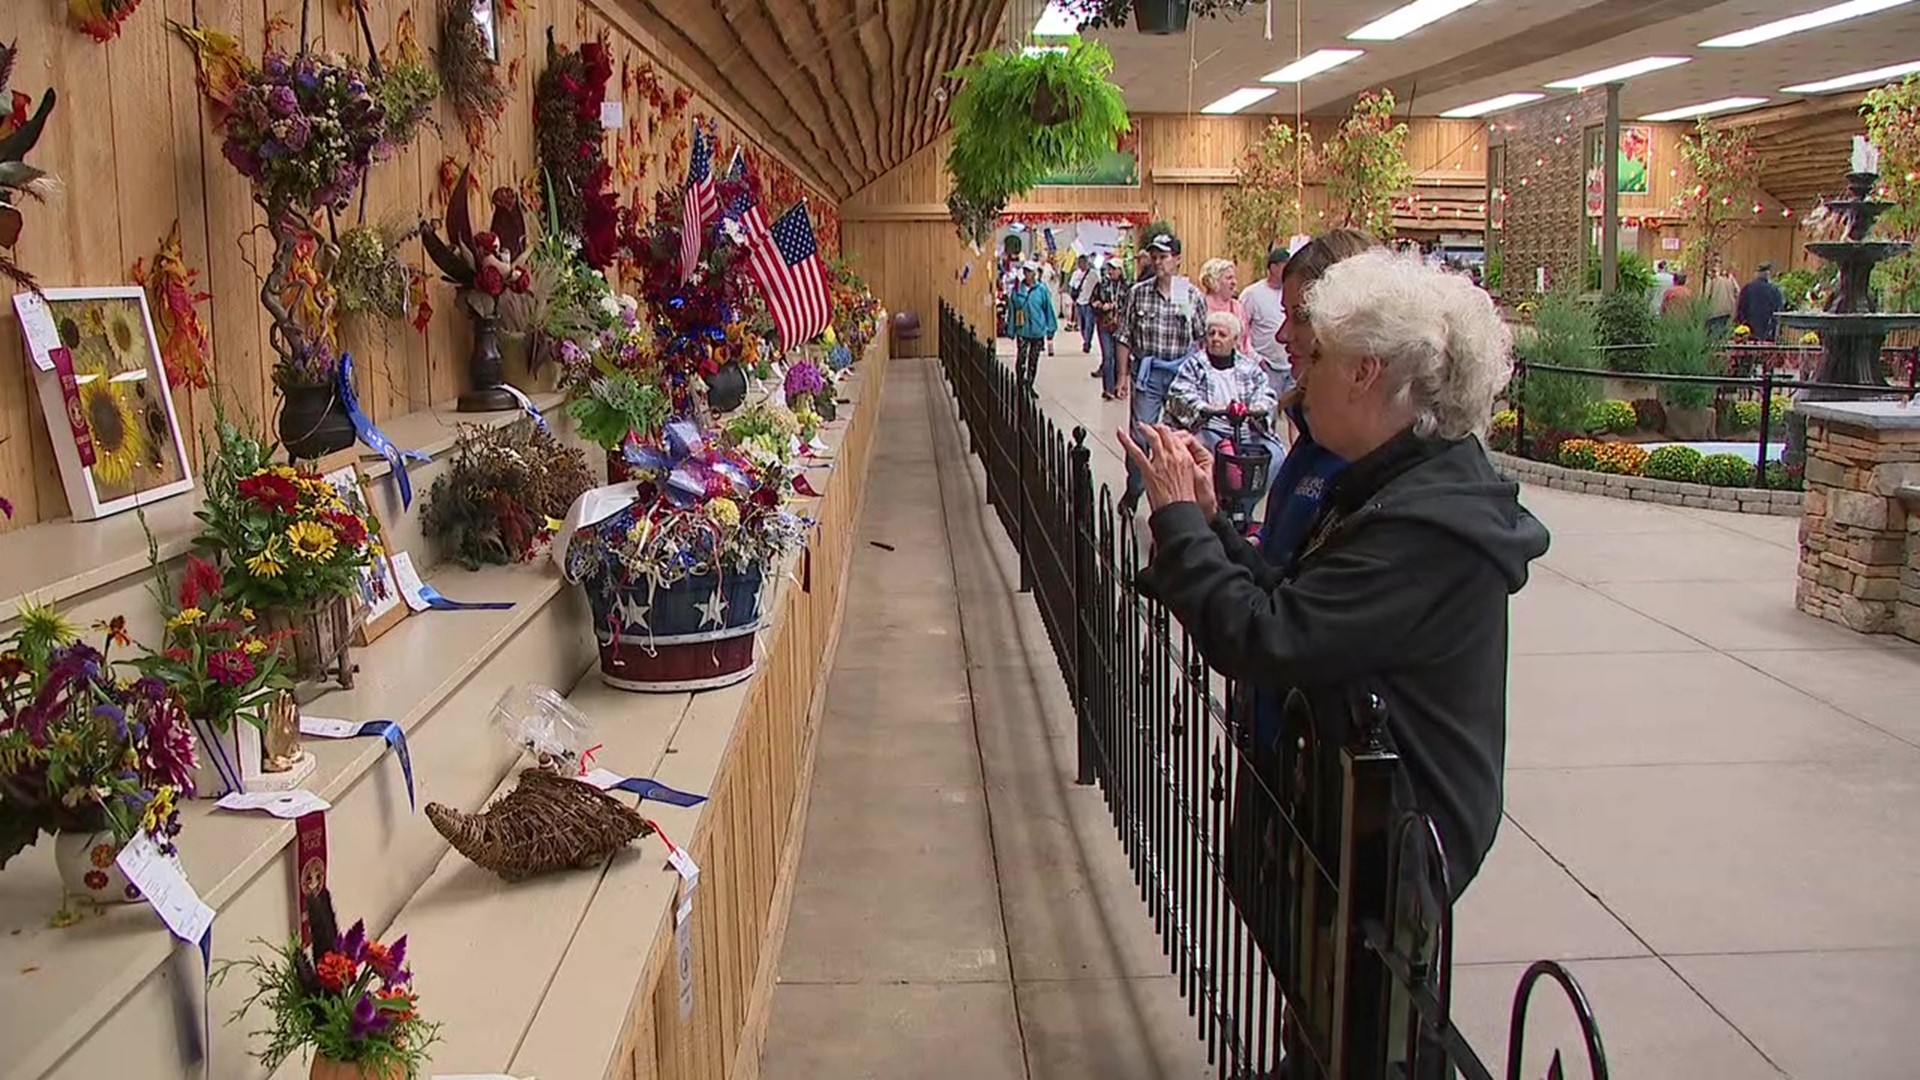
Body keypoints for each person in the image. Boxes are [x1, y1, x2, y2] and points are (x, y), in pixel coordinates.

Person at [1119, 246, 1550, 905]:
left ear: (1364, 373)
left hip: (1388, 863)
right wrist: (1210, 525)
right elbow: (1297, 603)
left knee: (1352, 1007)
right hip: (1353, 841)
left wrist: (1179, 522)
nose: (1297, 372)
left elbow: (1266, 638)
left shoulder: (1423, 527)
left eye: (1316, 355)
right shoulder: (1395, 487)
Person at [1116, 231, 1208, 514]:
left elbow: (1201, 339)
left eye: (1164, 256)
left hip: (1180, 372)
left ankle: (1177, 499)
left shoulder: (1191, 295)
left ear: (1177, 260)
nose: (1158, 262)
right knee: (1142, 433)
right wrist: (1121, 377)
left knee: (1179, 436)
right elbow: (1124, 336)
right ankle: (1135, 488)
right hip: (1148, 372)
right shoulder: (1138, 294)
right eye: (1154, 256)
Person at [1162, 311, 1283, 506]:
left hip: (1245, 431)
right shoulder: (1194, 365)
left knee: (1275, 455)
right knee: (1199, 455)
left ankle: (1245, 507)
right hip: (1208, 428)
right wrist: (1205, 407)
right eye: (1212, 334)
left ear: (1235, 339)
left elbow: (1266, 394)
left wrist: (1257, 408)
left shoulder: (1249, 368)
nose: (1215, 339)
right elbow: (1179, 393)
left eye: (1222, 335)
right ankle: (1206, 506)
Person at [1239, 247, 1292, 419]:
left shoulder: (1291, 291)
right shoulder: (1252, 294)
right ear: (1273, 267)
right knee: (1266, 416)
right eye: (1286, 265)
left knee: (1296, 417)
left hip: (1290, 363)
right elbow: (1242, 329)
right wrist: (1255, 358)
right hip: (1266, 365)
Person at [1007, 261, 1056, 389]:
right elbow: (1012, 309)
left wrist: (1051, 328)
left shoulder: (1042, 290)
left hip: (1038, 330)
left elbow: (1048, 309)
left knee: (1033, 360)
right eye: (1025, 271)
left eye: (1029, 271)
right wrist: (1011, 329)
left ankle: (1029, 384)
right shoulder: (1017, 290)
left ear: (1034, 274)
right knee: (1021, 357)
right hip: (1023, 329)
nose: (1026, 274)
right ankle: (1020, 382)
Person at [1089, 259, 1128, 400]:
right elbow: (1092, 302)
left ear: (1120, 271)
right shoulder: (1101, 286)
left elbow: (1129, 306)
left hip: (1120, 326)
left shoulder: (1126, 288)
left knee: (1120, 358)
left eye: (1114, 269)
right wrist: (1100, 305)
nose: (1111, 271)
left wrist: (1116, 306)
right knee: (1107, 357)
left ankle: (1119, 386)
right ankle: (1108, 389)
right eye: (1109, 268)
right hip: (1105, 325)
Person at [1199, 258, 1252, 352]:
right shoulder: (1200, 305)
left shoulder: (1238, 307)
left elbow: (1245, 343)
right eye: (1229, 278)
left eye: (1234, 278)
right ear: (1213, 281)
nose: (1234, 282)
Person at [1737, 261, 1788, 341]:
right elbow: (1779, 312)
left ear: (1756, 274)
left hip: (1749, 333)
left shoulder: (1747, 289)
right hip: (1768, 334)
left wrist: (1744, 327)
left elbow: (1740, 311)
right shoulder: (1775, 291)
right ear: (1768, 275)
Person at [1068, 254, 1095, 353]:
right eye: (1079, 263)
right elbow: (1072, 287)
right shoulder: (1075, 274)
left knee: (1089, 324)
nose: (1081, 265)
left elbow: (1098, 286)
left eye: (1083, 262)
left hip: (1089, 302)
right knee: (1082, 324)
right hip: (1079, 301)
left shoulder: (1093, 274)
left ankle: (1087, 342)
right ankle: (1085, 339)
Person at [1705, 264, 1739, 336]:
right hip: (1728, 312)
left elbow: (1705, 296)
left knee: (1714, 339)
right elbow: (1738, 292)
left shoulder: (1711, 279)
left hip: (1714, 313)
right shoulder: (1730, 278)